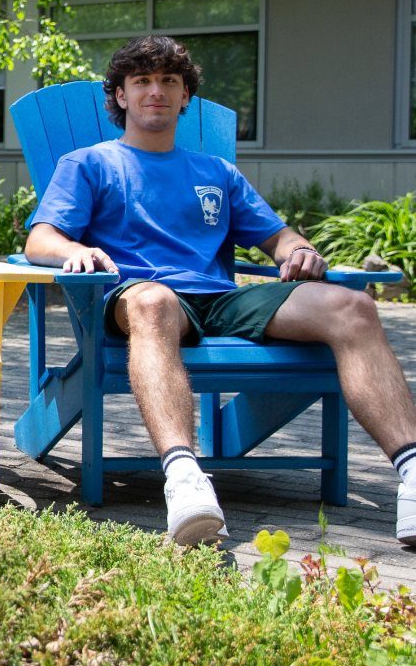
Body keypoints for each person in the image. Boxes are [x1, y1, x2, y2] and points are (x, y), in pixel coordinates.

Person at [24, 34, 416, 547]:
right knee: (153, 301)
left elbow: (276, 236)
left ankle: (411, 473)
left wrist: (296, 250)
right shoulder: (89, 164)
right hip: (142, 296)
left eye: (169, 81)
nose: (156, 91)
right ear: (120, 97)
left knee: (353, 306)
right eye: (141, 81)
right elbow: (40, 238)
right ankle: (185, 479)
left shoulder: (215, 172)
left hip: (221, 298)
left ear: (186, 96)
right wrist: (69, 252)